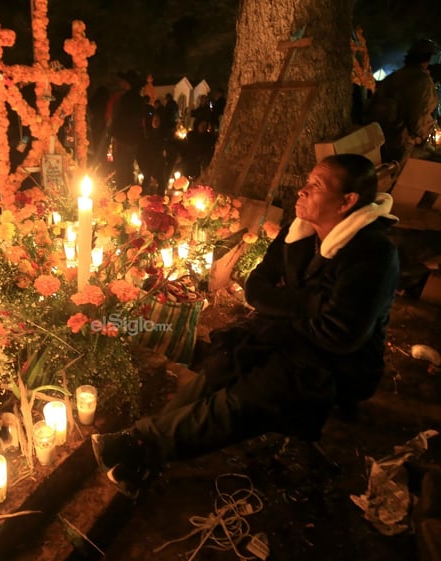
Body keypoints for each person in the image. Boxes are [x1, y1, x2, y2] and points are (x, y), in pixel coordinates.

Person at [92, 153, 400, 498]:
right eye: (307, 181)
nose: (301, 190)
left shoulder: (372, 254)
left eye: (315, 186)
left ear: (347, 201)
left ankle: (138, 444)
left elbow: (340, 334)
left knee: (246, 397)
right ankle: (142, 453)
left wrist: (286, 307)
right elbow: (256, 289)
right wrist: (314, 305)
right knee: (220, 368)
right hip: (285, 335)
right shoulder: (298, 233)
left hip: (335, 363)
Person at [365, 39, 439, 163]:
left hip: (381, 137)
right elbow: (418, 117)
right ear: (427, 59)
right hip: (402, 141)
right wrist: (420, 137)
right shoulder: (423, 81)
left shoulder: (394, 77)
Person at [109, 70, 149, 187]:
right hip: (134, 139)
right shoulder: (139, 99)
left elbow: (119, 119)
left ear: (128, 83)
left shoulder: (125, 98)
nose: (121, 83)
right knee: (129, 167)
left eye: (123, 81)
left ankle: (122, 193)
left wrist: (113, 133)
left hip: (123, 139)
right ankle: (129, 192)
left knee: (121, 168)